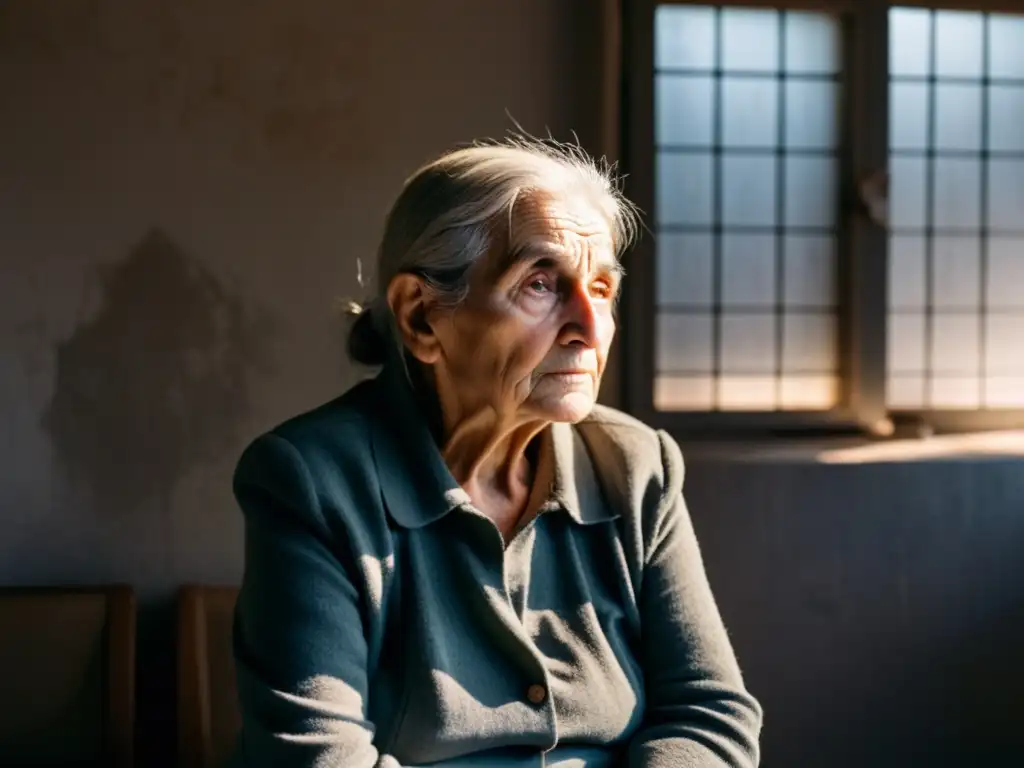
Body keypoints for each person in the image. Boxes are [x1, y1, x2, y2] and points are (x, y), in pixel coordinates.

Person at [229, 138, 763, 767]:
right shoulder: (312, 481)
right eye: (540, 284)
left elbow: (709, 715)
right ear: (422, 317)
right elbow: (316, 755)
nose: (589, 329)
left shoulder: (636, 465)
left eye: (599, 288)